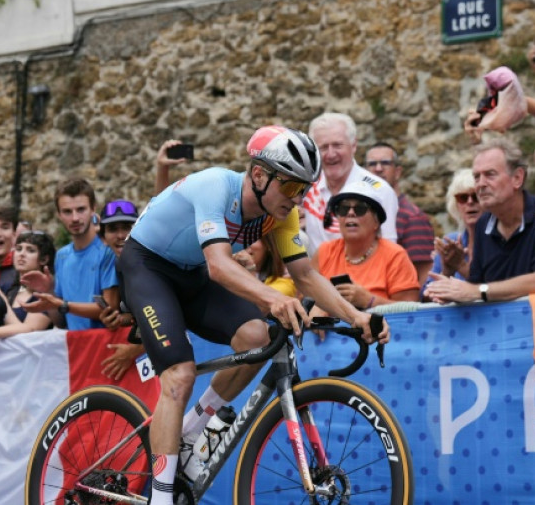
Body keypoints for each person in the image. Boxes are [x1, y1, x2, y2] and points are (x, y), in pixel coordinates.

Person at [118, 125, 388, 504]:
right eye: (292, 187)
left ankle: (192, 429)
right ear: (259, 175)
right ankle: (161, 498)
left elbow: (306, 274)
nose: (297, 199)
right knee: (179, 376)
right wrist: (271, 298)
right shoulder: (216, 186)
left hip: (189, 273)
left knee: (256, 336)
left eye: (305, 190)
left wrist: (355, 316)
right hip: (147, 265)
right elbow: (218, 265)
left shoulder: (280, 214)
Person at [424, 138, 535, 304]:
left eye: (490, 175)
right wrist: (451, 274)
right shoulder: (483, 224)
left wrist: (475, 291)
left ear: (517, 178)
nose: (480, 184)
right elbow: (477, 287)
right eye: (477, 177)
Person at [21, 178, 119, 330]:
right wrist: (48, 292)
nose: (74, 218)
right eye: (67, 211)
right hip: (74, 346)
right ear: (59, 214)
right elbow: (61, 321)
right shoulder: (62, 256)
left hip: (104, 345)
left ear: (93, 208)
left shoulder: (108, 252)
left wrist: (62, 304)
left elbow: (109, 309)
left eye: (81, 209)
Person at [313, 180, 420, 309]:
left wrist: (370, 301)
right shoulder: (324, 252)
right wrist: (317, 307)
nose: (350, 213)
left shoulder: (395, 256)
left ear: (376, 222)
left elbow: (411, 311)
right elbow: (302, 296)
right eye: (343, 209)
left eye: (360, 209)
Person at [303, 113, 398, 253]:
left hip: (363, 273)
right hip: (315, 272)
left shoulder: (379, 191)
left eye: (337, 145)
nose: (330, 154)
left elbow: (389, 250)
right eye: (323, 147)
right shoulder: (306, 186)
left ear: (354, 146)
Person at [363, 142, 435, 283]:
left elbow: (423, 276)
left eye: (385, 163)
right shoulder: (359, 214)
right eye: (372, 164)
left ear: (398, 172)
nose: (378, 169)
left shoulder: (412, 217)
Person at [420, 169, 480, 297]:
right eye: (462, 198)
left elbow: (496, 289)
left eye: (476, 196)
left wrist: (461, 267)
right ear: (456, 205)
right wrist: (447, 272)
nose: (470, 202)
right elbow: (425, 298)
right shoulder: (451, 241)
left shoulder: (498, 241)